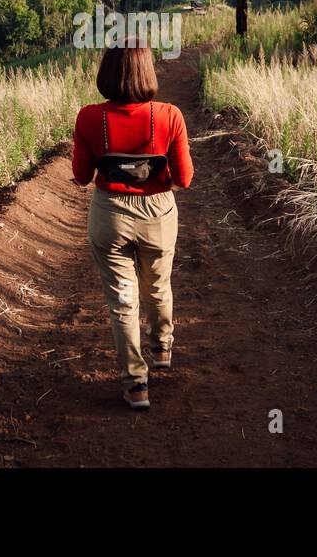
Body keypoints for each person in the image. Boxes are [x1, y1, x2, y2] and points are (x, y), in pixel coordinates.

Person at [71, 43, 193, 410]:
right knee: (158, 285)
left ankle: (136, 385)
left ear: (105, 75)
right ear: (148, 73)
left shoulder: (89, 117)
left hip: (109, 215)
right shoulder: (170, 115)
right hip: (157, 213)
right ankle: (162, 348)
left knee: (122, 302)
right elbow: (184, 179)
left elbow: (81, 176)